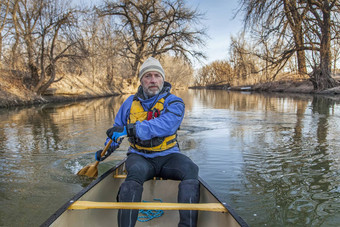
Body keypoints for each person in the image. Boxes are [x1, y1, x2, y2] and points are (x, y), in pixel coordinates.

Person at [95, 57, 200, 227]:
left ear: (162, 79)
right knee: (134, 173)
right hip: (140, 156)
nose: (153, 80)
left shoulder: (175, 102)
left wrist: (130, 129)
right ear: (141, 81)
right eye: (148, 76)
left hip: (169, 155)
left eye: (157, 76)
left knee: (191, 169)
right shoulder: (129, 103)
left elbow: (167, 125)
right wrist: (107, 149)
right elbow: (117, 130)